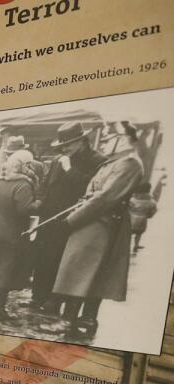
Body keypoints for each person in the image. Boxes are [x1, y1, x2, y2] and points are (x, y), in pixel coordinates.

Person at [52, 123, 146, 340]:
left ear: (124, 139)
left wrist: (71, 220)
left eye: (111, 136)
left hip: (102, 227)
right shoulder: (114, 163)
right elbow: (93, 195)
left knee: (91, 275)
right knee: (78, 272)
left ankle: (82, 320)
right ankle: (72, 321)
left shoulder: (130, 164)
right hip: (91, 225)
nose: (105, 140)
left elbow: (104, 198)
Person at [30, 122, 107, 312]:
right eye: (62, 145)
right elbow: (45, 185)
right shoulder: (59, 159)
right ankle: (38, 296)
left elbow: (91, 189)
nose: (65, 149)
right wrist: (39, 202)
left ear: (82, 141)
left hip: (72, 218)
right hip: (49, 217)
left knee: (62, 259)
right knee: (43, 257)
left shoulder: (98, 161)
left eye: (69, 144)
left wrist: (70, 169)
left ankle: (54, 300)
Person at [0, 151, 42, 319]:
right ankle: (0, 308)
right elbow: (24, 210)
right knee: (4, 270)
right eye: (29, 165)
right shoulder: (22, 185)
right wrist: (39, 203)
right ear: (24, 166)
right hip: (12, 234)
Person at [130, 182, 158, 253]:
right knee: (139, 233)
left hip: (132, 219)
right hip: (142, 220)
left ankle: (126, 245)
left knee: (129, 233)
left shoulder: (133, 199)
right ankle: (136, 245)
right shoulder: (150, 201)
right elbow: (153, 209)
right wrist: (149, 215)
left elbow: (129, 206)